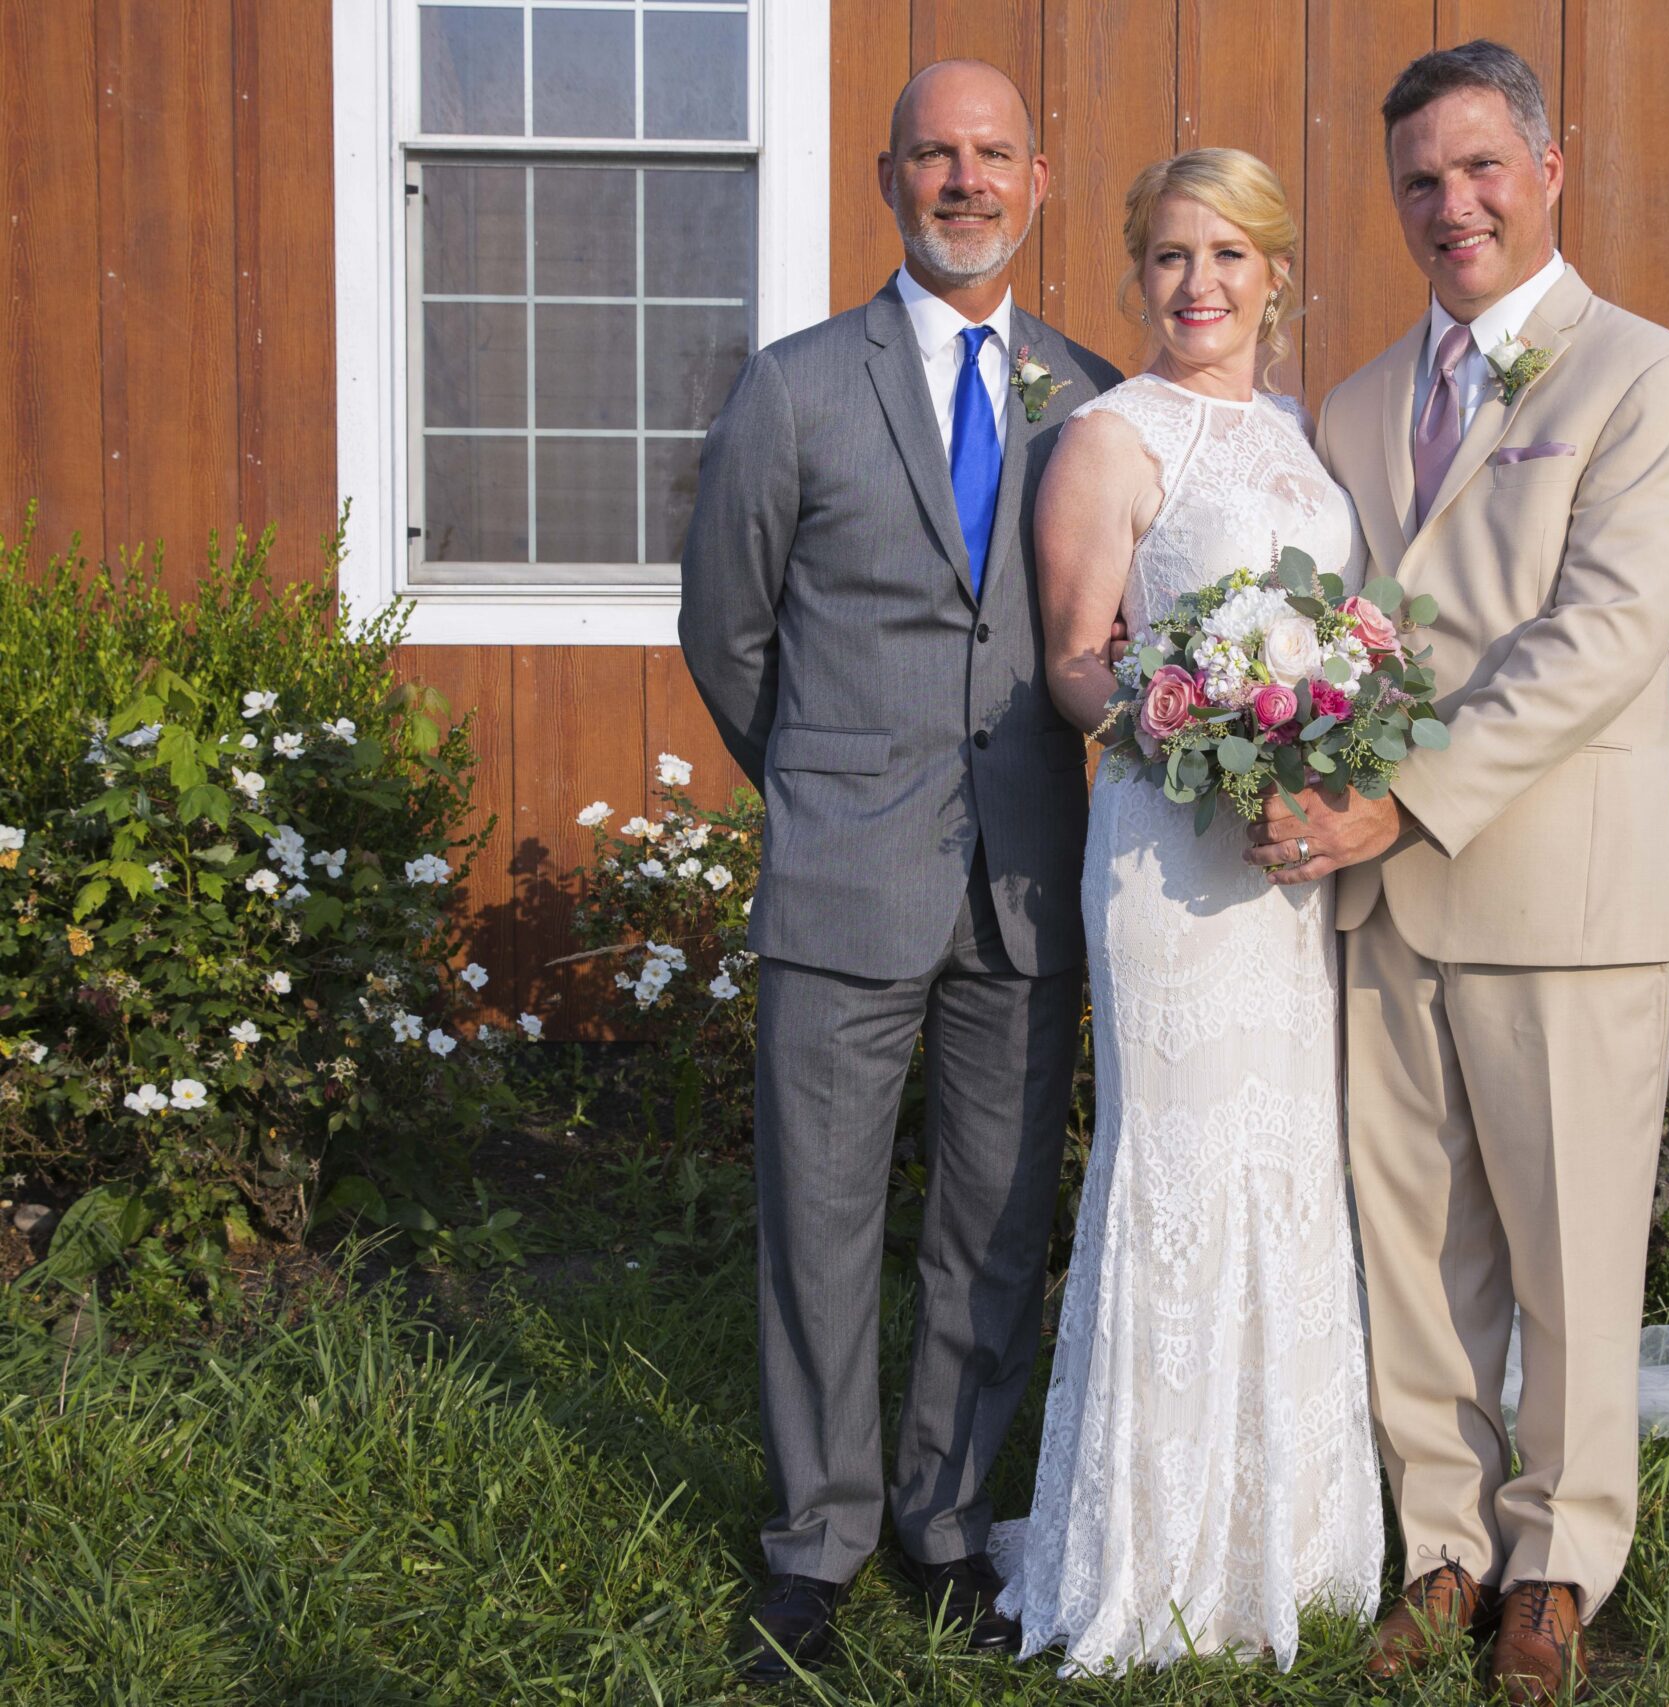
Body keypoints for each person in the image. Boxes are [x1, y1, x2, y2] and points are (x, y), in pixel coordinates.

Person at [1247, 40, 1669, 1705]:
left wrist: (1403, 798)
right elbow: (1327, 636)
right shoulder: (1357, 402)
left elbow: (1603, 636)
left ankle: (1558, 1566)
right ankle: (1441, 1549)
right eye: (1420, 182)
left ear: (1548, 168)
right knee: (1416, 1254)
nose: (1452, 204)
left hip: (1561, 897)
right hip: (1380, 905)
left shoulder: (1650, 379)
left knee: (1572, 1262)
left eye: (1479, 168)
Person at [677, 59, 1122, 1683]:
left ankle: (942, 1520)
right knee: (820, 1221)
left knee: (994, 1226)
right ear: (888, 179)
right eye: (934, 153)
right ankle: (817, 1541)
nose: (965, 179)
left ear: (1039, 181)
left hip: (1028, 885)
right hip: (843, 879)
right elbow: (726, 633)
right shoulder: (795, 388)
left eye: (994, 153)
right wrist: (823, 790)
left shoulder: (1094, 397)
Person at [997, 147, 1384, 1675]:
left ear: (1275, 273)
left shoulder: (1300, 433)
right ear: (1137, 275)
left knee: (1285, 1160)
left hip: (1290, 867)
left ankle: (1291, 1540)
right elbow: (1072, 659)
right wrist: (1198, 729)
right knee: (1182, 1167)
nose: (1198, 284)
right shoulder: (1109, 437)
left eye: (1227, 255)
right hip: (1172, 852)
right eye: (1169, 256)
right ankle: (1155, 1553)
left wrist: (1322, 749)